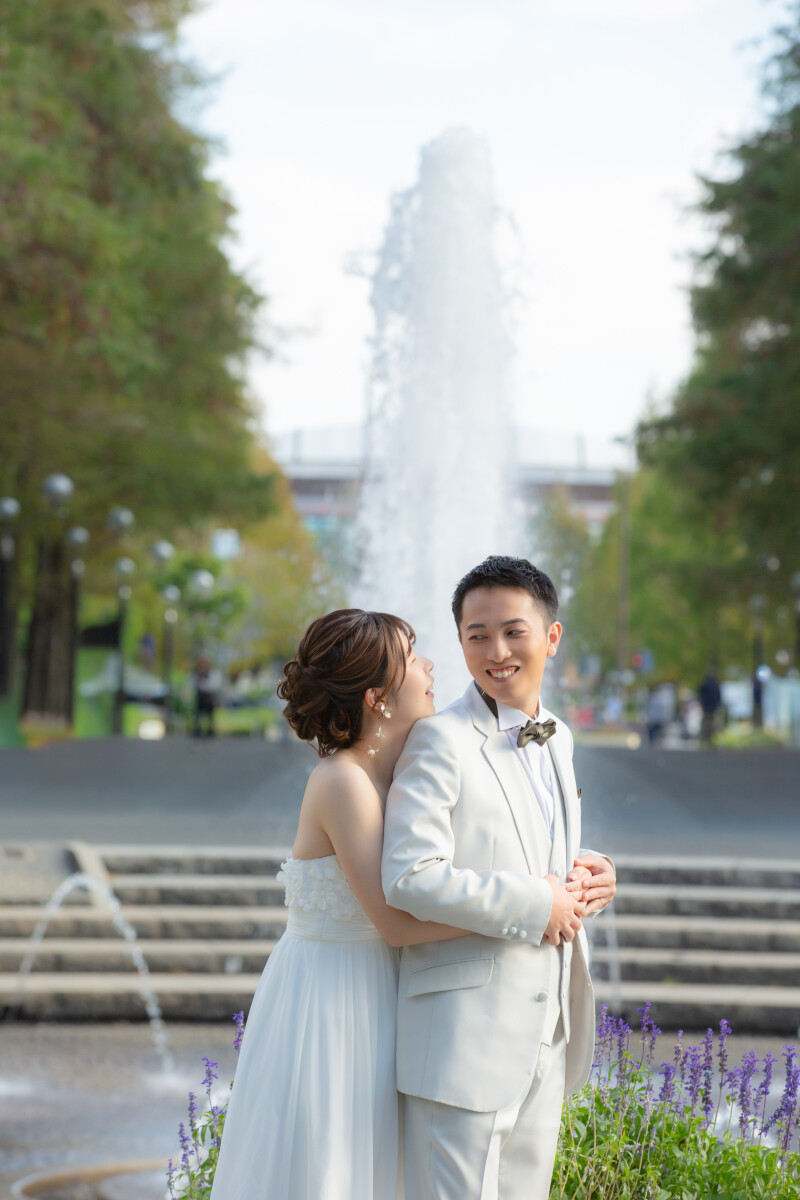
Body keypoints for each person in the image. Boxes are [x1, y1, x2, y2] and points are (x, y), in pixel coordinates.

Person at [209, 609, 493, 1200]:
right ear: (376, 696)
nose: (431, 664)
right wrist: (521, 917)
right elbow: (393, 922)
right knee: (330, 1165)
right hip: (331, 1001)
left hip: (382, 993)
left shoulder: (400, 775)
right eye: (414, 657)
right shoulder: (342, 782)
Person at [381, 556, 616, 1200]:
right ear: (459, 641)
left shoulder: (559, 737)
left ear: (552, 637)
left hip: (548, 1031)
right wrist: (537, 901)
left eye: (514, 631)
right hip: (463, 1041)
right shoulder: (438, 740)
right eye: (476, 635)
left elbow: (523, 844)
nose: (496, 650)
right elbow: (409, 875)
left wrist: (589, 875)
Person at [191, 656, 221, 738]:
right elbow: (194, 684)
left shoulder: (213, 674)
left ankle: (210, 730)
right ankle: (197, 730)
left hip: (209, 696)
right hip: (200, 696)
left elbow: (214, 685)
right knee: (198, 715)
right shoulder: (197, 674)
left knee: (210, 715)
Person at [698, 666, 723, 746]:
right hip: (711, 708)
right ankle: (709, 739)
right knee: (711, 725)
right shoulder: (715, 685)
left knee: (708, 725)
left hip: (708, 708)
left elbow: (701, 695)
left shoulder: (706, 684)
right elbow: (718, 697)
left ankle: (707, 739)